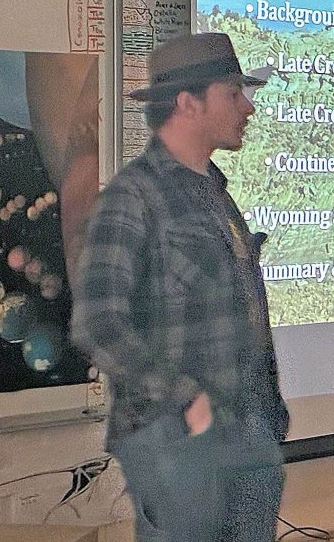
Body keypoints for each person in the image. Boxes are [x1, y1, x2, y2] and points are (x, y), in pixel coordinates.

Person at [71, 33, 289, 541]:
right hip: (178, 440)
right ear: (188, 103)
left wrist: (268, 413)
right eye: (233, 94)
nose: (248, 107)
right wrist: (186, 399)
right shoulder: (133, 198)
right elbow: (98, 325)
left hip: (248, 432)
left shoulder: (214, 192)